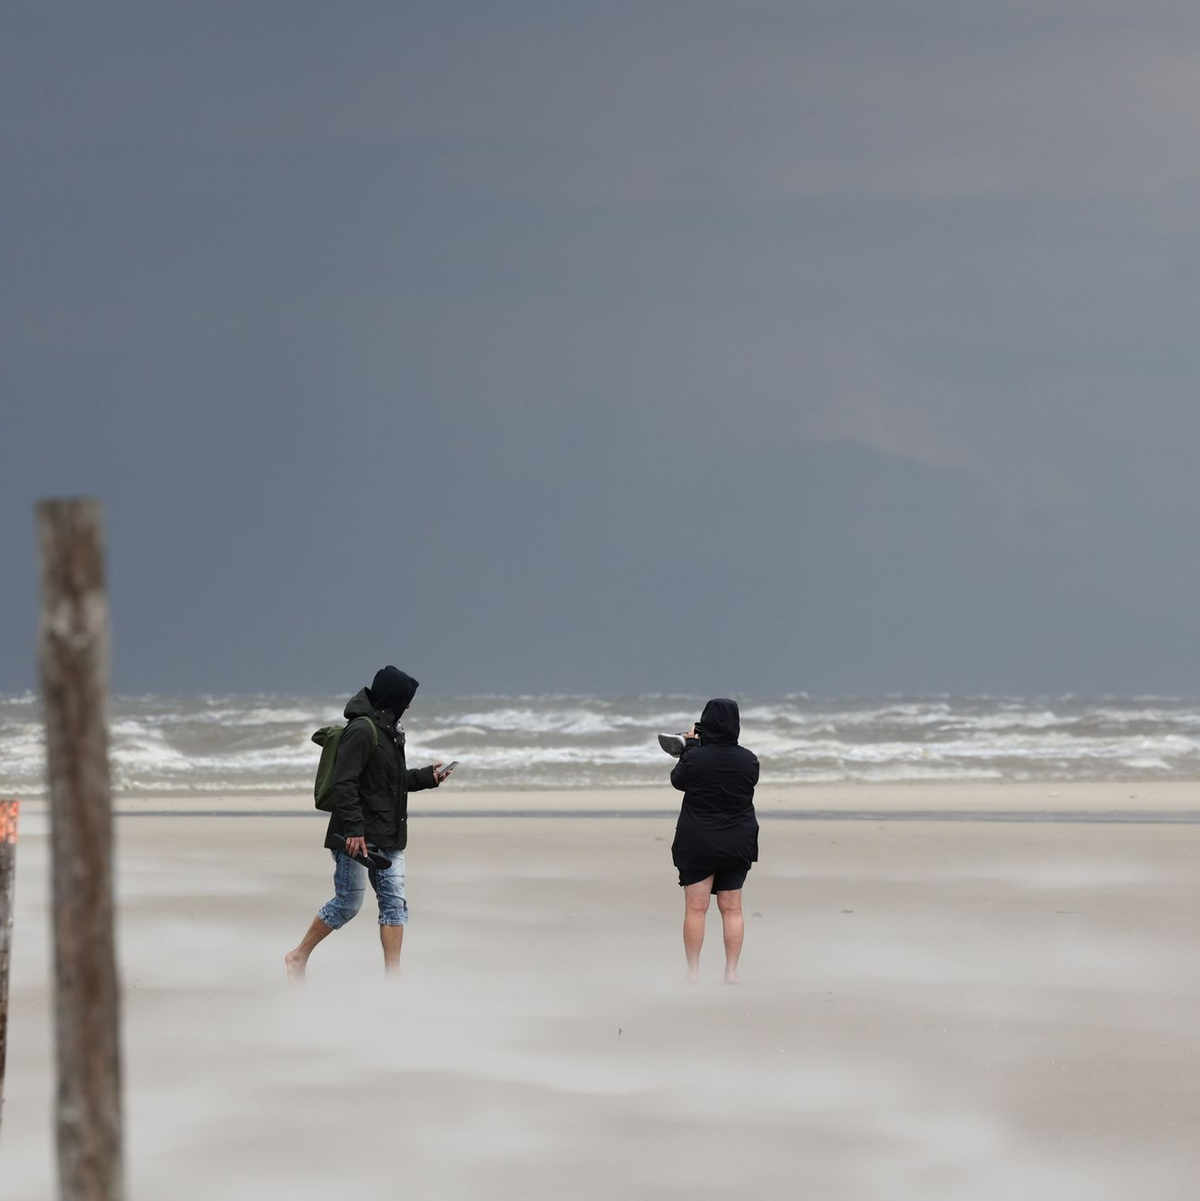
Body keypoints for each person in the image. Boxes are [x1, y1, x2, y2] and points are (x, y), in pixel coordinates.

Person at [285, 666, 452, 983]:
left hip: (388, 833)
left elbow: (388, 782)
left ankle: (393, 979)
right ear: (394, 698)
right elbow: (345, 784)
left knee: (394, 905)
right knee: (348, 904)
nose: (410, 705)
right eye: (407, 698)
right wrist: (354, 831)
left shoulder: (391, 730)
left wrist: (426, 778)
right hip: (356, 837)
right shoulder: (362, 730)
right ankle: (298, 956)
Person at [668, 697, 759, 984]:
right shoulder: (749, 760)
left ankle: (693, 971)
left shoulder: (695, 757)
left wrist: (690, 749)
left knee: (696, 908)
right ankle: (731, 972)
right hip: (738, 839)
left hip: (699, 839)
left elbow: (678, 780)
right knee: (732, 909)